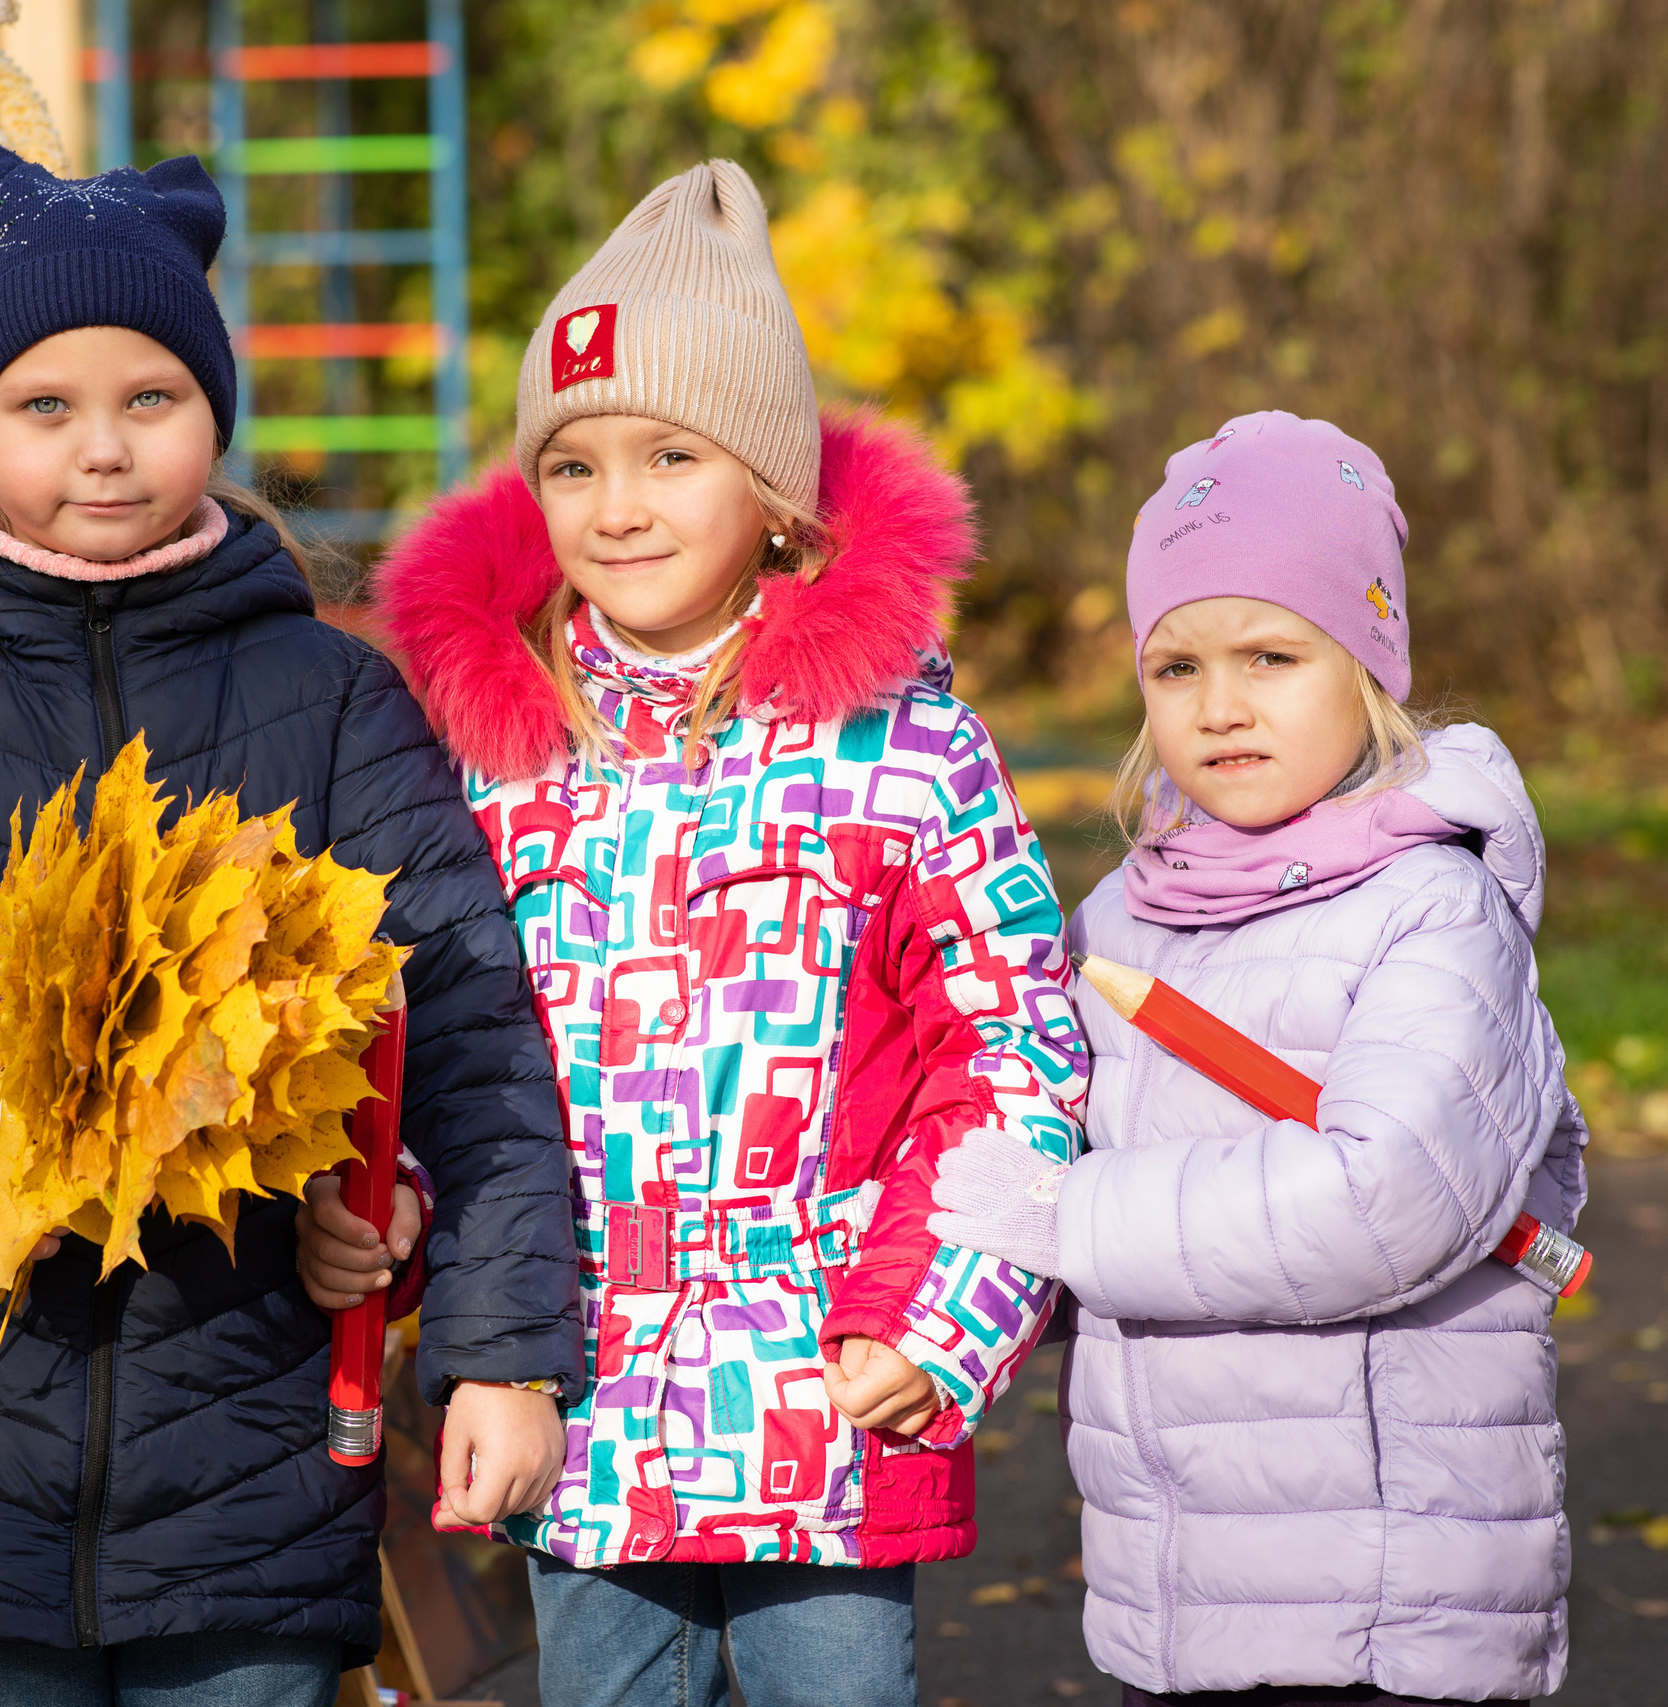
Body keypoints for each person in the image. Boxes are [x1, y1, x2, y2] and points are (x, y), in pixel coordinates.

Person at [0, 146, 581, 1707]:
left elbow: (462, 1031)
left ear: (214, 417)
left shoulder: (329, 695)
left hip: (252, 1458)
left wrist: (432, 1241)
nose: (102, 449)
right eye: (46, 407)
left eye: (151, 399)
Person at [342, 160, 1089, 1707]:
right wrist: (402, 1221)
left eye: (672, 455)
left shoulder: (901, 750)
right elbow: (443, 1049)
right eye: (575, 466)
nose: (617, 508)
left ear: (775, 489)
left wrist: (939, 1328)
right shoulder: (492, 756)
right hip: (584, 1406)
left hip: (826, 1403)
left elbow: (1017, 1047)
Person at [929, 410, 1580, 1706]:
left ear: (1370, 669)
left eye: (1272, 655)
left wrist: (1063, 1217)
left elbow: (1377, 1202)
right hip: (1175, 1594)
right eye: (1176, 668)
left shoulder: (1433, 909)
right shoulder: (1124, 918)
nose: (1221, 706)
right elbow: (1056, 1165)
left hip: (1390, 1611)